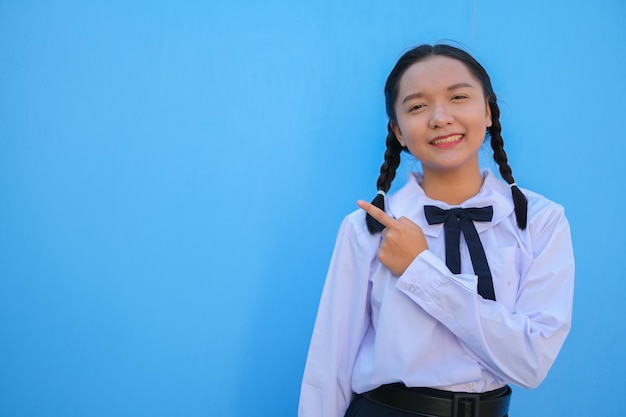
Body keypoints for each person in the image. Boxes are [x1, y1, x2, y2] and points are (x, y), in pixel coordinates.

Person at [298, 44, 575, 417]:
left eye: (458, 97)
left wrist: (420, 269)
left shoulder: (539, 220)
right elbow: (327, 368)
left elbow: (531, 362)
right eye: (417, 106)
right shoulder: (369, 227)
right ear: (398, 130)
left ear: (489, 111)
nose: (440, 118)